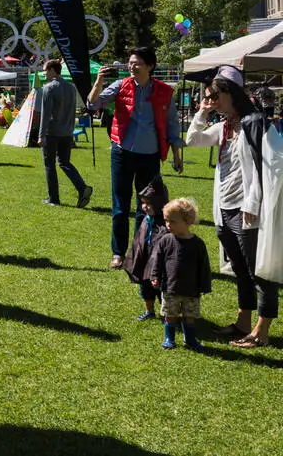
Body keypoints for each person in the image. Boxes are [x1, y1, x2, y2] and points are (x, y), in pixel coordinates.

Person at [184, 65, 278, 347]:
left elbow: (269, 167)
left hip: (247, 209)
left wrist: (253, 202)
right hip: (224, 208)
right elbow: (192, 140)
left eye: (214, 95)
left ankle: (261, 332)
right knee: (240, 268)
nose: (211, 100)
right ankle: (242, 323)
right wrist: (202, 112)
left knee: (259, 271)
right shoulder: (224, 126)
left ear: (229, 92)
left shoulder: (255, 123)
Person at [87, 46, 184, 270]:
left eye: (137, 63)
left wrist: (176, 155)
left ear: (150, 66)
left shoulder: (163, 91)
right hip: (122, 153)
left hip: (149, 156)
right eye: (130, 62)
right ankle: (118, 253)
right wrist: (98, 81)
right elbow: (93, 104)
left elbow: (172, 125)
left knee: (146, 207)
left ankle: (138, 251)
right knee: (120, 205)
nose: (132, 66)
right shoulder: (121, 86)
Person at [150, 198, 211, 351]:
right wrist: (155, 276)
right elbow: (157, 260)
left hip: (191, 289)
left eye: (172, 221)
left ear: (188, 221)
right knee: (170, 314)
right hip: (171, 287)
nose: (168, 224)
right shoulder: (165, 241)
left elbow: (204, 266)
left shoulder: (198, 244)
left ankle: (189, 339)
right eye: (166, 220)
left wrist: (205, 284)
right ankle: (169, 338)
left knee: (190, 316)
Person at [39, 60, 93, 208]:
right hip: (67, 132)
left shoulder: (48, 88)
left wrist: (40, 135)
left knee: (49, 165)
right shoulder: (70, 88)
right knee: (64, 162)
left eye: (45, 70)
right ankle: (82, 187)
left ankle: (53, 198)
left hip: (52, 132)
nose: (44, 73)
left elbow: (45, 114)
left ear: (52, 70)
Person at [123, 177, 169, 322]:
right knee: (145, 289)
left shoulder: (166, 224)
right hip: (144, 261)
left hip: (159, 266)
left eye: (149, 203)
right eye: (143, 203)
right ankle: (149, 310)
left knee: (162, 291)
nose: (145, 207)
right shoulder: (146, 219)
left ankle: (167, 314)